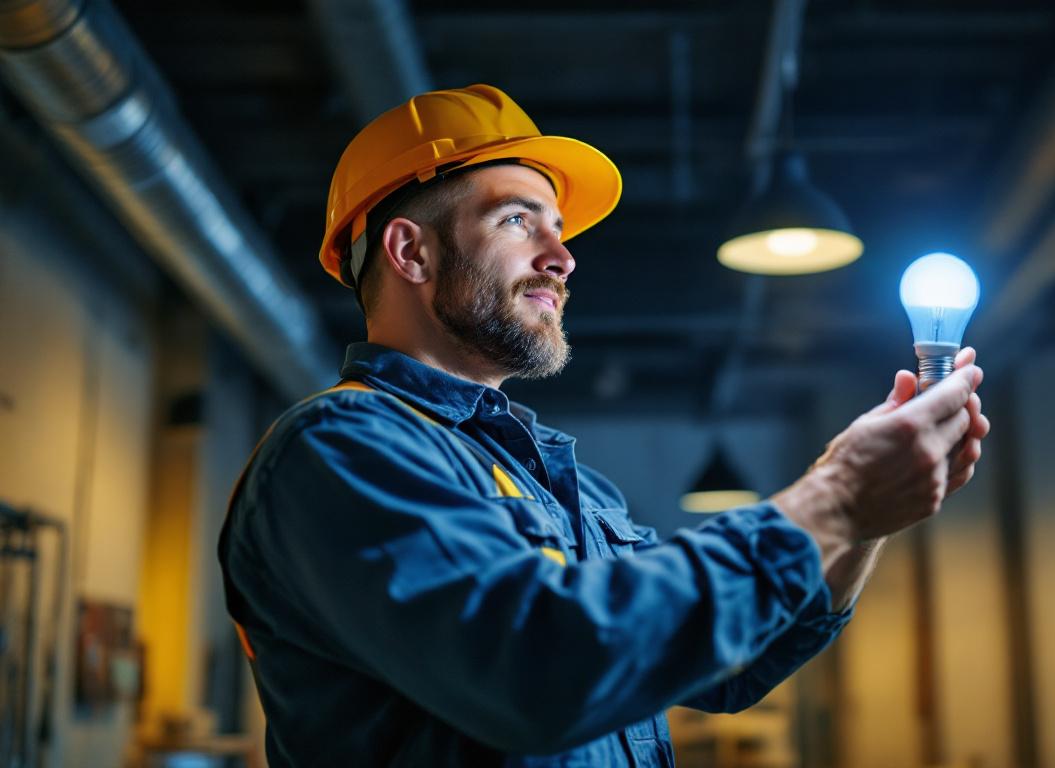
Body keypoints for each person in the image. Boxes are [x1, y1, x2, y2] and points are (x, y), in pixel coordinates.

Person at [218, 84, 989, 767]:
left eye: (559, 229)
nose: (563, 257)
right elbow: (543, 671)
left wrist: (867, 514)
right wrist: (839, 495)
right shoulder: (339, 450)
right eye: (517, 220)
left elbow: (732, 665)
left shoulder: (568, 487)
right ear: (410, 252)